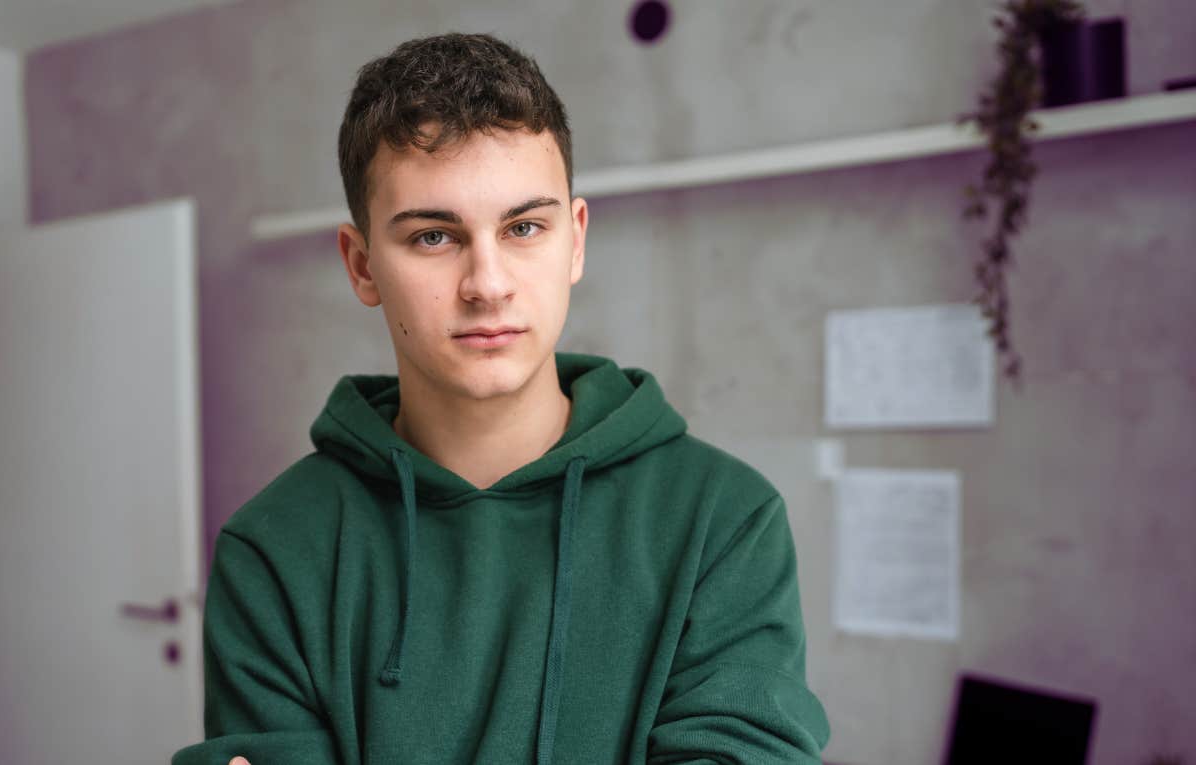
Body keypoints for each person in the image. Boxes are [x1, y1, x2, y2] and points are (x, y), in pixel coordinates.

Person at [172, 32, 830, 765]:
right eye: (433, 237)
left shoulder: (724, 520)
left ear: (574, 242)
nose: (487, 283)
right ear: (362, 266)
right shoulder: (272, 550)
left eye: (524, 227)